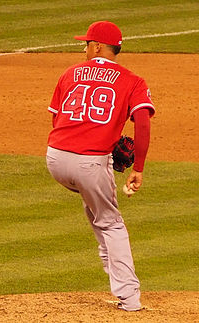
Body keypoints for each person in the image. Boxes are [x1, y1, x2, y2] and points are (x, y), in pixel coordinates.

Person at [46, 21, 155, 311]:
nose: (84, 47)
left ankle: (117, 282)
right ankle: (130, 299)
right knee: (112, 223)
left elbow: (57, 119)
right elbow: (142, 121)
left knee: (96, 211)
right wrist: (138, 167)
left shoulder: (70, 73)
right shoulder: (132, 80)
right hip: (90, 163)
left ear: (96, 46)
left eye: (86, 43)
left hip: (55, 157)